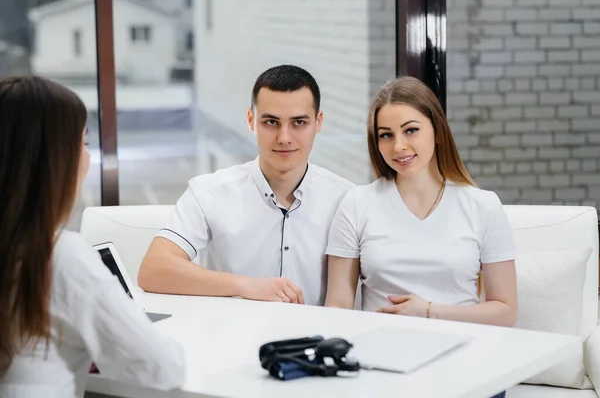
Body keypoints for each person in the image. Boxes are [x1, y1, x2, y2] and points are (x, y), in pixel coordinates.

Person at [0, 76, 185, 397]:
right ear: (54, 160)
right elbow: (160, 368)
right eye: (83, 143)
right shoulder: (58, 257)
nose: (87, 157)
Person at [138, 65, 354, 306]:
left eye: (299, 123)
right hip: (231, 338)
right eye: (271, 122)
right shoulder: (208, 192)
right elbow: (153, 270)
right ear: (251, 121)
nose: (284, 137)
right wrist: (246, 286)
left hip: (316, 340)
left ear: (318, 122)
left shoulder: (346, 200)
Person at [324, 76, 518, 326]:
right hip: (381, 349)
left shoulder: (483, 206)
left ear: (437, 131)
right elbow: (337, 306)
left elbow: (506, 312)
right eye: (386, 135)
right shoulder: (356, 204)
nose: (399, 146)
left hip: (464, 351)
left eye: (411, 130)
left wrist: (428, 311)